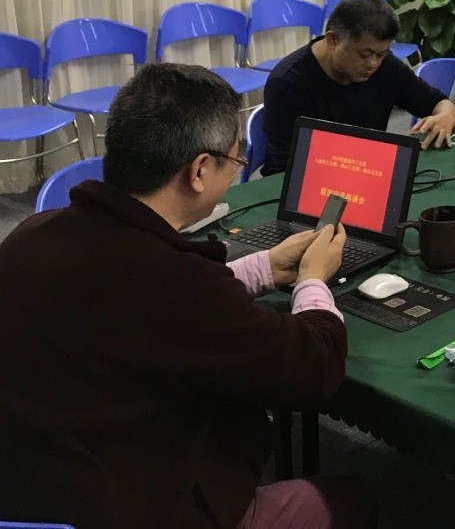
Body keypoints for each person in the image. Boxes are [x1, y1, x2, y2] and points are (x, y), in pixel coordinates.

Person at [0, 63, 369, 529]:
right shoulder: (176, 283)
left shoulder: (32, 233)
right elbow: (314, 368)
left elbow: (142, 307)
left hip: (28, 493)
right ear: (198, 170)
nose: (234, 171)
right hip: (130, 506)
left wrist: (263, 267)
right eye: (234, 161)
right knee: (350, 501)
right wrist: (313, 280)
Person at [262, 0, 455, 175]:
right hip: (310, 177)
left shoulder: (385, 67)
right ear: (333, 40)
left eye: (381, 54)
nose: (373, 64)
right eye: (364, 54)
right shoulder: (287, 84)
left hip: (364, 172)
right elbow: (284, 171)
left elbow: (439, 103)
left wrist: (446, 116)